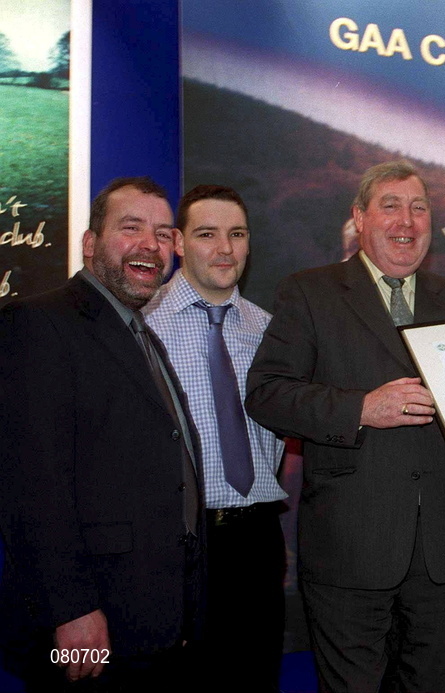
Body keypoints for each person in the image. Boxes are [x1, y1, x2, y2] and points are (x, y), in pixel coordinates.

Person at [245, 161, 445, 692]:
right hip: (349, 552)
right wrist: (360, 409)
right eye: (391, 206)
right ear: (359, 217)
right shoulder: (309, 291)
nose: (407, 220)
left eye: (419, 208)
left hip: (439, 555)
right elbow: (267, 393)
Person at [0, 177, 203, 691]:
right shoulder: (38, 324)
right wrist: (71, 611)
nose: (150, 246)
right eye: (130, 228)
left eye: (162, 234)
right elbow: (31, 486)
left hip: (148, 622)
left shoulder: (139, 333)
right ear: (91, 245)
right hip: (88, 629)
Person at [144, 184, 286, 691]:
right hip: (176, 540)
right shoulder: (143, 324)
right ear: (178, 242)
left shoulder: (273, 331)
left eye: (237, 234)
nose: (225, 249)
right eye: (208, 235)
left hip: (258, 541)